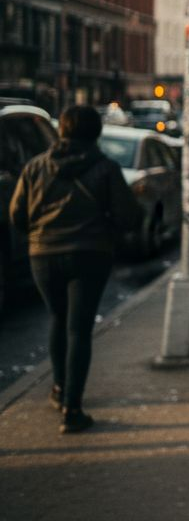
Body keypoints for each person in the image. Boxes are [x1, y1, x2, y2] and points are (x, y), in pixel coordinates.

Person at [9, 105, 142, 434]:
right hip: (90, 253)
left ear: (62, 130)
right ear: (96, 132)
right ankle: (73, 408)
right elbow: (128, 216)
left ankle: (58, 388)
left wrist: (40, 234)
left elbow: (17, 215)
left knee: (57, 318)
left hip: (43, 254)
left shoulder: (36, 167)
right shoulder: (106, 168)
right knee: (79, 328)